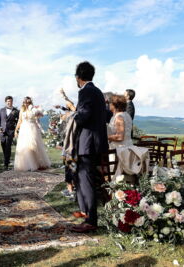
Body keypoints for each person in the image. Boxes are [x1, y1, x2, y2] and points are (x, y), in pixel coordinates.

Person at [70, 61, 108, 233]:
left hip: (87, 143)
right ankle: (85, 211)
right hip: (96, 141)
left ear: (78, 78)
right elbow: (106, 114)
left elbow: (83, 116)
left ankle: (91, 220)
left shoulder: (85, 91)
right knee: (82, 178)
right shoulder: (98, 92)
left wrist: (71, 117)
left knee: (86, 181)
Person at [14, 96, 51, 171]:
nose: (26, 104)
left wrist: (33, 108)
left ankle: (38, 163)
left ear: (30, 102)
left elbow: (41, 115)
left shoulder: (33, 109)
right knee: (25, 147)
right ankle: (27, 165)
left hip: (32, 129)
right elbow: (20, 120)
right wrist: (16, 130)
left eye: (28, 102)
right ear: (23, 103)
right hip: (24, 130)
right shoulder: (22, 110)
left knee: (34, 146)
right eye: (25, 102)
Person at [0, 96, 19, 170]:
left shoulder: (16, 111)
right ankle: (7, 159)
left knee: (8, 147)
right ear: (5, 102)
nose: (9, 103)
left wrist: (16, 130)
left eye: (11, 101)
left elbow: (18, 121)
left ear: (12, 102)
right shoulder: (1, 110)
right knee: (3, 146)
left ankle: (6, 164)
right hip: (2, 132)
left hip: (10, 132)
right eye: (8, 101)